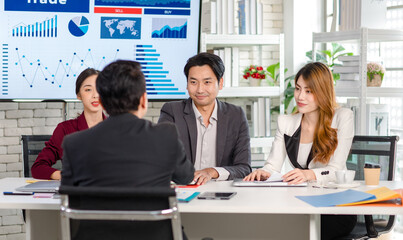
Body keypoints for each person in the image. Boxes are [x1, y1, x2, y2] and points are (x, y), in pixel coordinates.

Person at [61, 60, 194, 240]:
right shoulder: (166, 135)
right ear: (143, 100)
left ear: (101, 101)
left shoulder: (74, 143)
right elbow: (186, 176)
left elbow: (73, 201)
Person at [244, 62, 356, 239]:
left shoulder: (342, 117)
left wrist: (308, 174)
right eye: (298, 89)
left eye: (309, 91)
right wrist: (263, 172)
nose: (300, 96)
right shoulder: (286, 122)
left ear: (323, 91)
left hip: (333, 207)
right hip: (300, 202)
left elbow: (336, 169)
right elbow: (272, 165)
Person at [158, 52, 251, 185]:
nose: (200, 90)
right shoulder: (172, 111)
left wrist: (212, 172)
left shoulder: (235, 115)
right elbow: (162, 159)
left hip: (222, 191)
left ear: (220, 83)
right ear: (187, 83)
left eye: (207, 82)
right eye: (193, 82)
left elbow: (244, 168)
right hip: (183, 188)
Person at [31, 68, 105, 180]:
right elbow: (38, 168)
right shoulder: (65, 129)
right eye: (88, 90)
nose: (95, 95)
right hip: (76, 193)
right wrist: (65, 175)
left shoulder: (118, 128)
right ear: (79, 95)